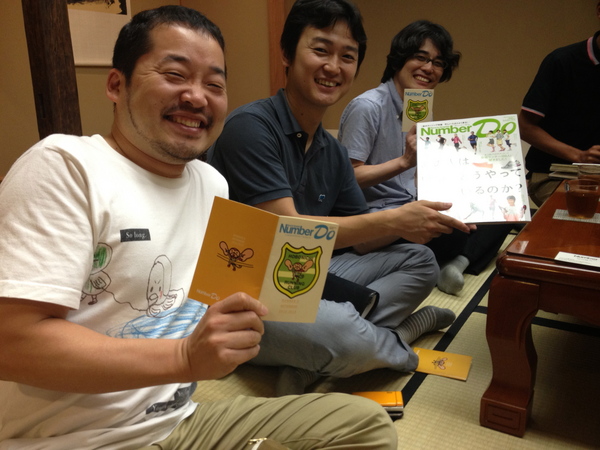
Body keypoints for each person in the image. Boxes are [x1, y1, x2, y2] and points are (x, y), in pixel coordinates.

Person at [0, 6, 398, 449]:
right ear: (116, 85)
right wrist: (183, 356)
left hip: (177, 423)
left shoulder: (211, 184)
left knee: (365, 423)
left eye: (214, 84)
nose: (196, 97)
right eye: (175, 75)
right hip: (73, 439)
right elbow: (11, 342)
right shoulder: (66, 167)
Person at [209, 0, 469, 394]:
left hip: (306, 273)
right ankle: (398, 339)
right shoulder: (251, 126)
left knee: (421, 260)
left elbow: (363, 241)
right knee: (342, 333)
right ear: (287, 54)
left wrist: (427, 218)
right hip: (244, 287)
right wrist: (395, 218)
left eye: (347, 56)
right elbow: (288, 230)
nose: (334, 67)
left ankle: (314, 356)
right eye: (320, 50)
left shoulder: (329, 149)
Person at [338, 20, 513, 295]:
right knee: (454, 230)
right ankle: (454, 259)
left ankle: (457, 263)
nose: (429, 68)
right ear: (399, 59)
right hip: (380, 219)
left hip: (413, 204)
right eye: (420, 57)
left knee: (503, 207)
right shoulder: (368, 107)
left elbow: (416, 175)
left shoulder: (418, 105)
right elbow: (348, 178)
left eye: (438, 63)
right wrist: (404, 162)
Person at [519, 1, 600, 206]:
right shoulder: (563, 60)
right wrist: (579, 155)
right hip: (556, 174)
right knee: (589, 212)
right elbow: (525, 126)